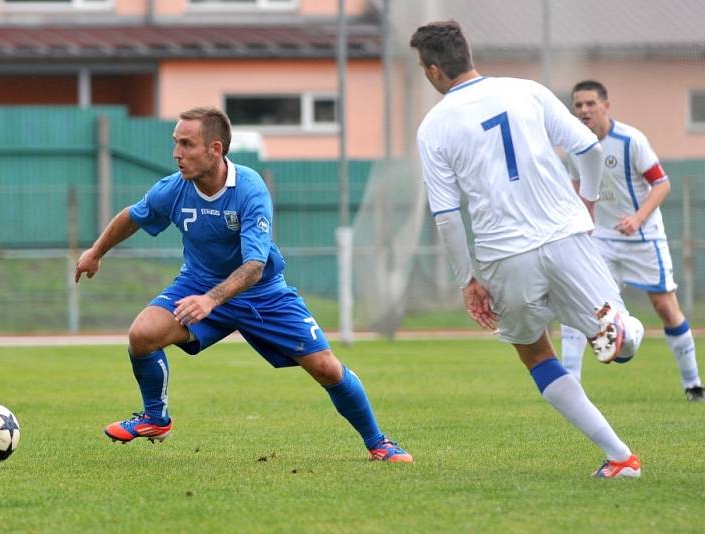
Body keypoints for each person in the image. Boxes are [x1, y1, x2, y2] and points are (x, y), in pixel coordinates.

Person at [74, 106, 412, 462]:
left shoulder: (249, 189)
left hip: (262, 294)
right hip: (198, 284)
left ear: (215, 149)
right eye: (176, 143)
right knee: (142, 335)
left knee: (326, 367)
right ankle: (155, 418)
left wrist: (210, 301)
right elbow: (133, 216)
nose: (176, 153)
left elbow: (254, 265)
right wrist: (96, 251)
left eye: (187, 144)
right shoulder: (173, 189)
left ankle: (380, 443)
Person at [410, 21, 645, 478]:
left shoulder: (434, 126)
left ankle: (621, 457)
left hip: (504, 253)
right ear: (468, 53)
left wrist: (467, 279)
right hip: (564, 231)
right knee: (621, 344)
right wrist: (589, 201)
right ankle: (621, 326)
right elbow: (588, 150)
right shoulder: (526, 91)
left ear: (434, 70)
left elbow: (446, 216)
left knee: (535, 352)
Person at [560, 80, 703, 402]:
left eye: (590, 104)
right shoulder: (574, 145)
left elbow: (662, 184)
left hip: (642, 237)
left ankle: (693, 384)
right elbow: (576, 188)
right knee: (578, 301)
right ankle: (572, 385)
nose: (584, 110)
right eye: (578, 105)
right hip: (600, 240)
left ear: (605, 106)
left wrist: (638, 218)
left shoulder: (631, 140)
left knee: (665, 307)